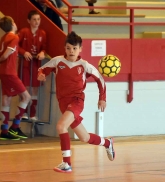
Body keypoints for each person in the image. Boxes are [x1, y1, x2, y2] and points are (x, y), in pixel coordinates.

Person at [37, 31, 115, 173]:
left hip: (77, 101)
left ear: (80, 49)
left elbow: (100, 80)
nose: (71, 51)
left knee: (61, 126)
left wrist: (102, 98)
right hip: (63, 103)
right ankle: (108, 143)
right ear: (64, 49)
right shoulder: (57, 61)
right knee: (84, 137)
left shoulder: (84, 65)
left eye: (74, 48)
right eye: (68, 48)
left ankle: (66, 163)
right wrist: (41, 75)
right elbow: (42, 69)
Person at [0, 16, 31, 140]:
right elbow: (4, 55)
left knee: (7, 98)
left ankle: (4, 130)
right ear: (12, 24)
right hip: (10, 72)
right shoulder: (14, 37)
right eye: (14, 22)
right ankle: (15, 126)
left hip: (2, 72)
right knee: (26, 97)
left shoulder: (3, 37)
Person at [18, 10, 47, 121]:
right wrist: (24, 52)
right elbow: (16, 46)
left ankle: (32, 114)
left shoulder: (42, 33)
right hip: (25, 64)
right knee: (25, 88)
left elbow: (44, 47)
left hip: (36, 64)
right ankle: (24, 112)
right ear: (29, 21)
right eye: (34, 19)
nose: (36, 22)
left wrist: (42, 52)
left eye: (38, 19)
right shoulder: (23, 32)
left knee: (35, 89)